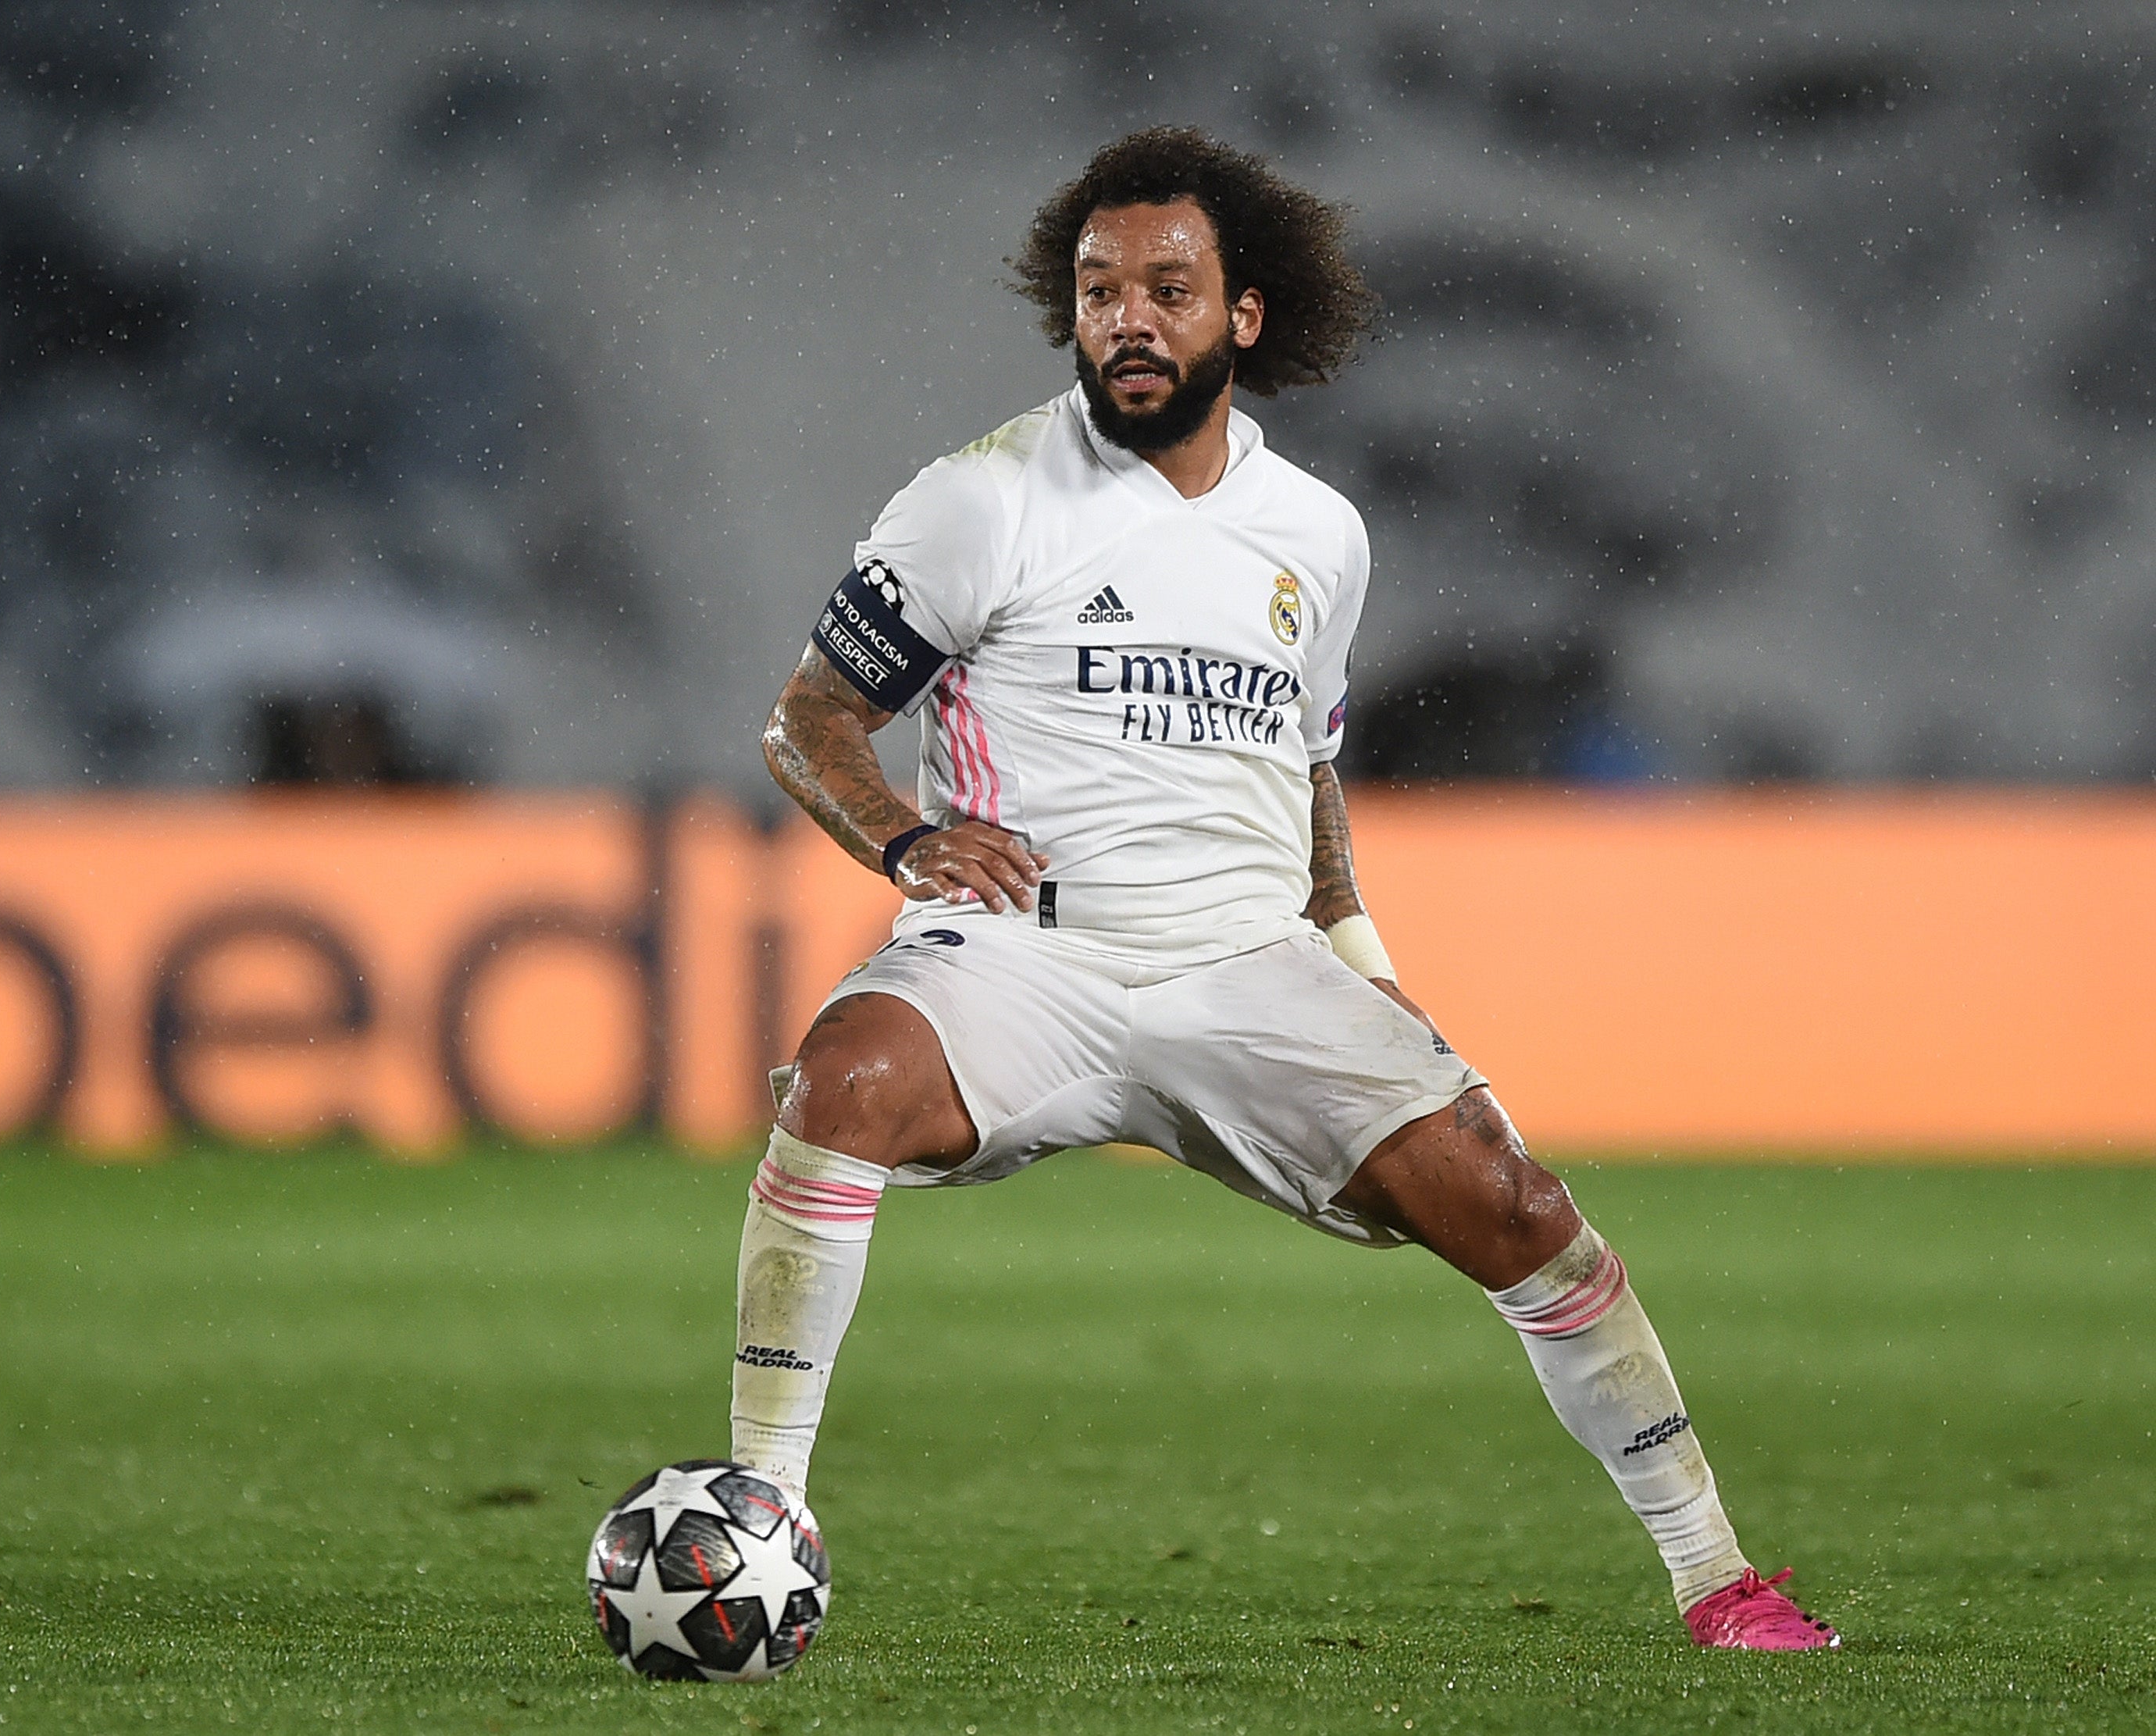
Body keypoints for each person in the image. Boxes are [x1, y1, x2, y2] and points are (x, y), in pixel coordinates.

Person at [733, 126, 1837, 1652]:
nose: (1128, 317)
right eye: (1100, 289)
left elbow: (1308, 771)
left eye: (1166, 288)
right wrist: (908, 845)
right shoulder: (978, 499)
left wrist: (1363, 955)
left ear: (1241, 316)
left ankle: (1720, 1575)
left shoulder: (1317, 536)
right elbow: (810, 719)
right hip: (1017, 958)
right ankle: (757, 1512)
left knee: (1517, 1203)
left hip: (1245, 965)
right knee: (842, 1080)